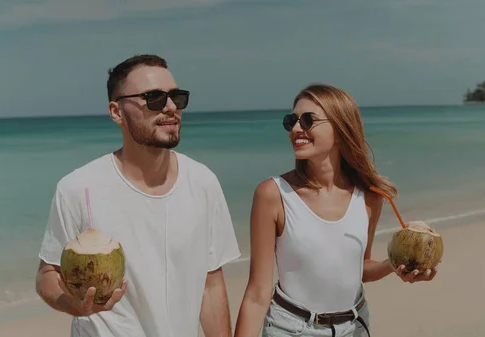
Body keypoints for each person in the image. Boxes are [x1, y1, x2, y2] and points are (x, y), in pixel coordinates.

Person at [35, 54, 241, 337]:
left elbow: (210, 285)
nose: (170, 108)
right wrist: (75, 305)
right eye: (154, 98)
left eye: (176, 97)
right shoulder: (78, 188)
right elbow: (48, 275)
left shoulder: (203, 183)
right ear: (116, 111)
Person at [234, 83, 439, 337]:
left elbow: (359, 268)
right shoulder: (273, 194)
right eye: (292, 121)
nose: (297, 128)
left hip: (354, 327)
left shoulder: (370, 198)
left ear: (341, 129)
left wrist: (394, 266)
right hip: (289, 329)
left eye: (308, 120)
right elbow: (257, 293)